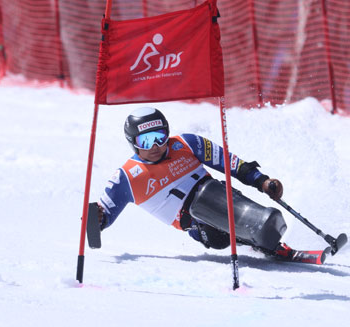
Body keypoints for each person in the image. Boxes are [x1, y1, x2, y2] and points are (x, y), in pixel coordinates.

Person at [92, 106, 300, 260]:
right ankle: (258, 235)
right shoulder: (126, 177)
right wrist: (95, 219)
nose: (155, 146)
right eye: (146, 141)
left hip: (221, 196)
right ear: (133, 143)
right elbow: (99, 221)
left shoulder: (187, 143)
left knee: (212, 191)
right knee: (205, 204)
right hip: (199, 225)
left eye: (160, 137)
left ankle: (264, 237)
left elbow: (230, 163)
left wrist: (262, 181)